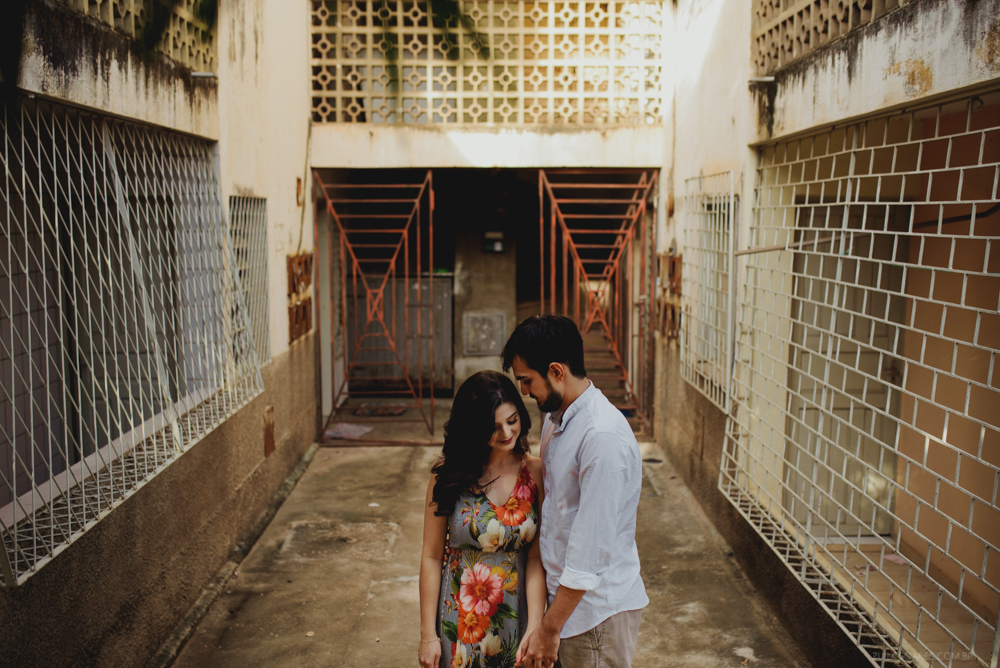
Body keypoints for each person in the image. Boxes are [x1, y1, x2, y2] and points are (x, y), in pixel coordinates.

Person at [502, 315, 648, 668]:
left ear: (556, 371)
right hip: (566, 607)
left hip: (594, 617)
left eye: (527, 380)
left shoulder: (601, 437)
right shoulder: (557, 419)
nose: (524, 391)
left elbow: (589, 553)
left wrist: (549, 629)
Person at [419, 371, 547, 668]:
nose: (506, 433)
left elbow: (535, 558)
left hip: (517, 615)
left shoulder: (536, 473)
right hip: (460, 617)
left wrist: (535, 626)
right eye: (493, 427)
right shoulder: (447, 475)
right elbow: (431, 556)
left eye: (512, 420)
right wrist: (427, 635)